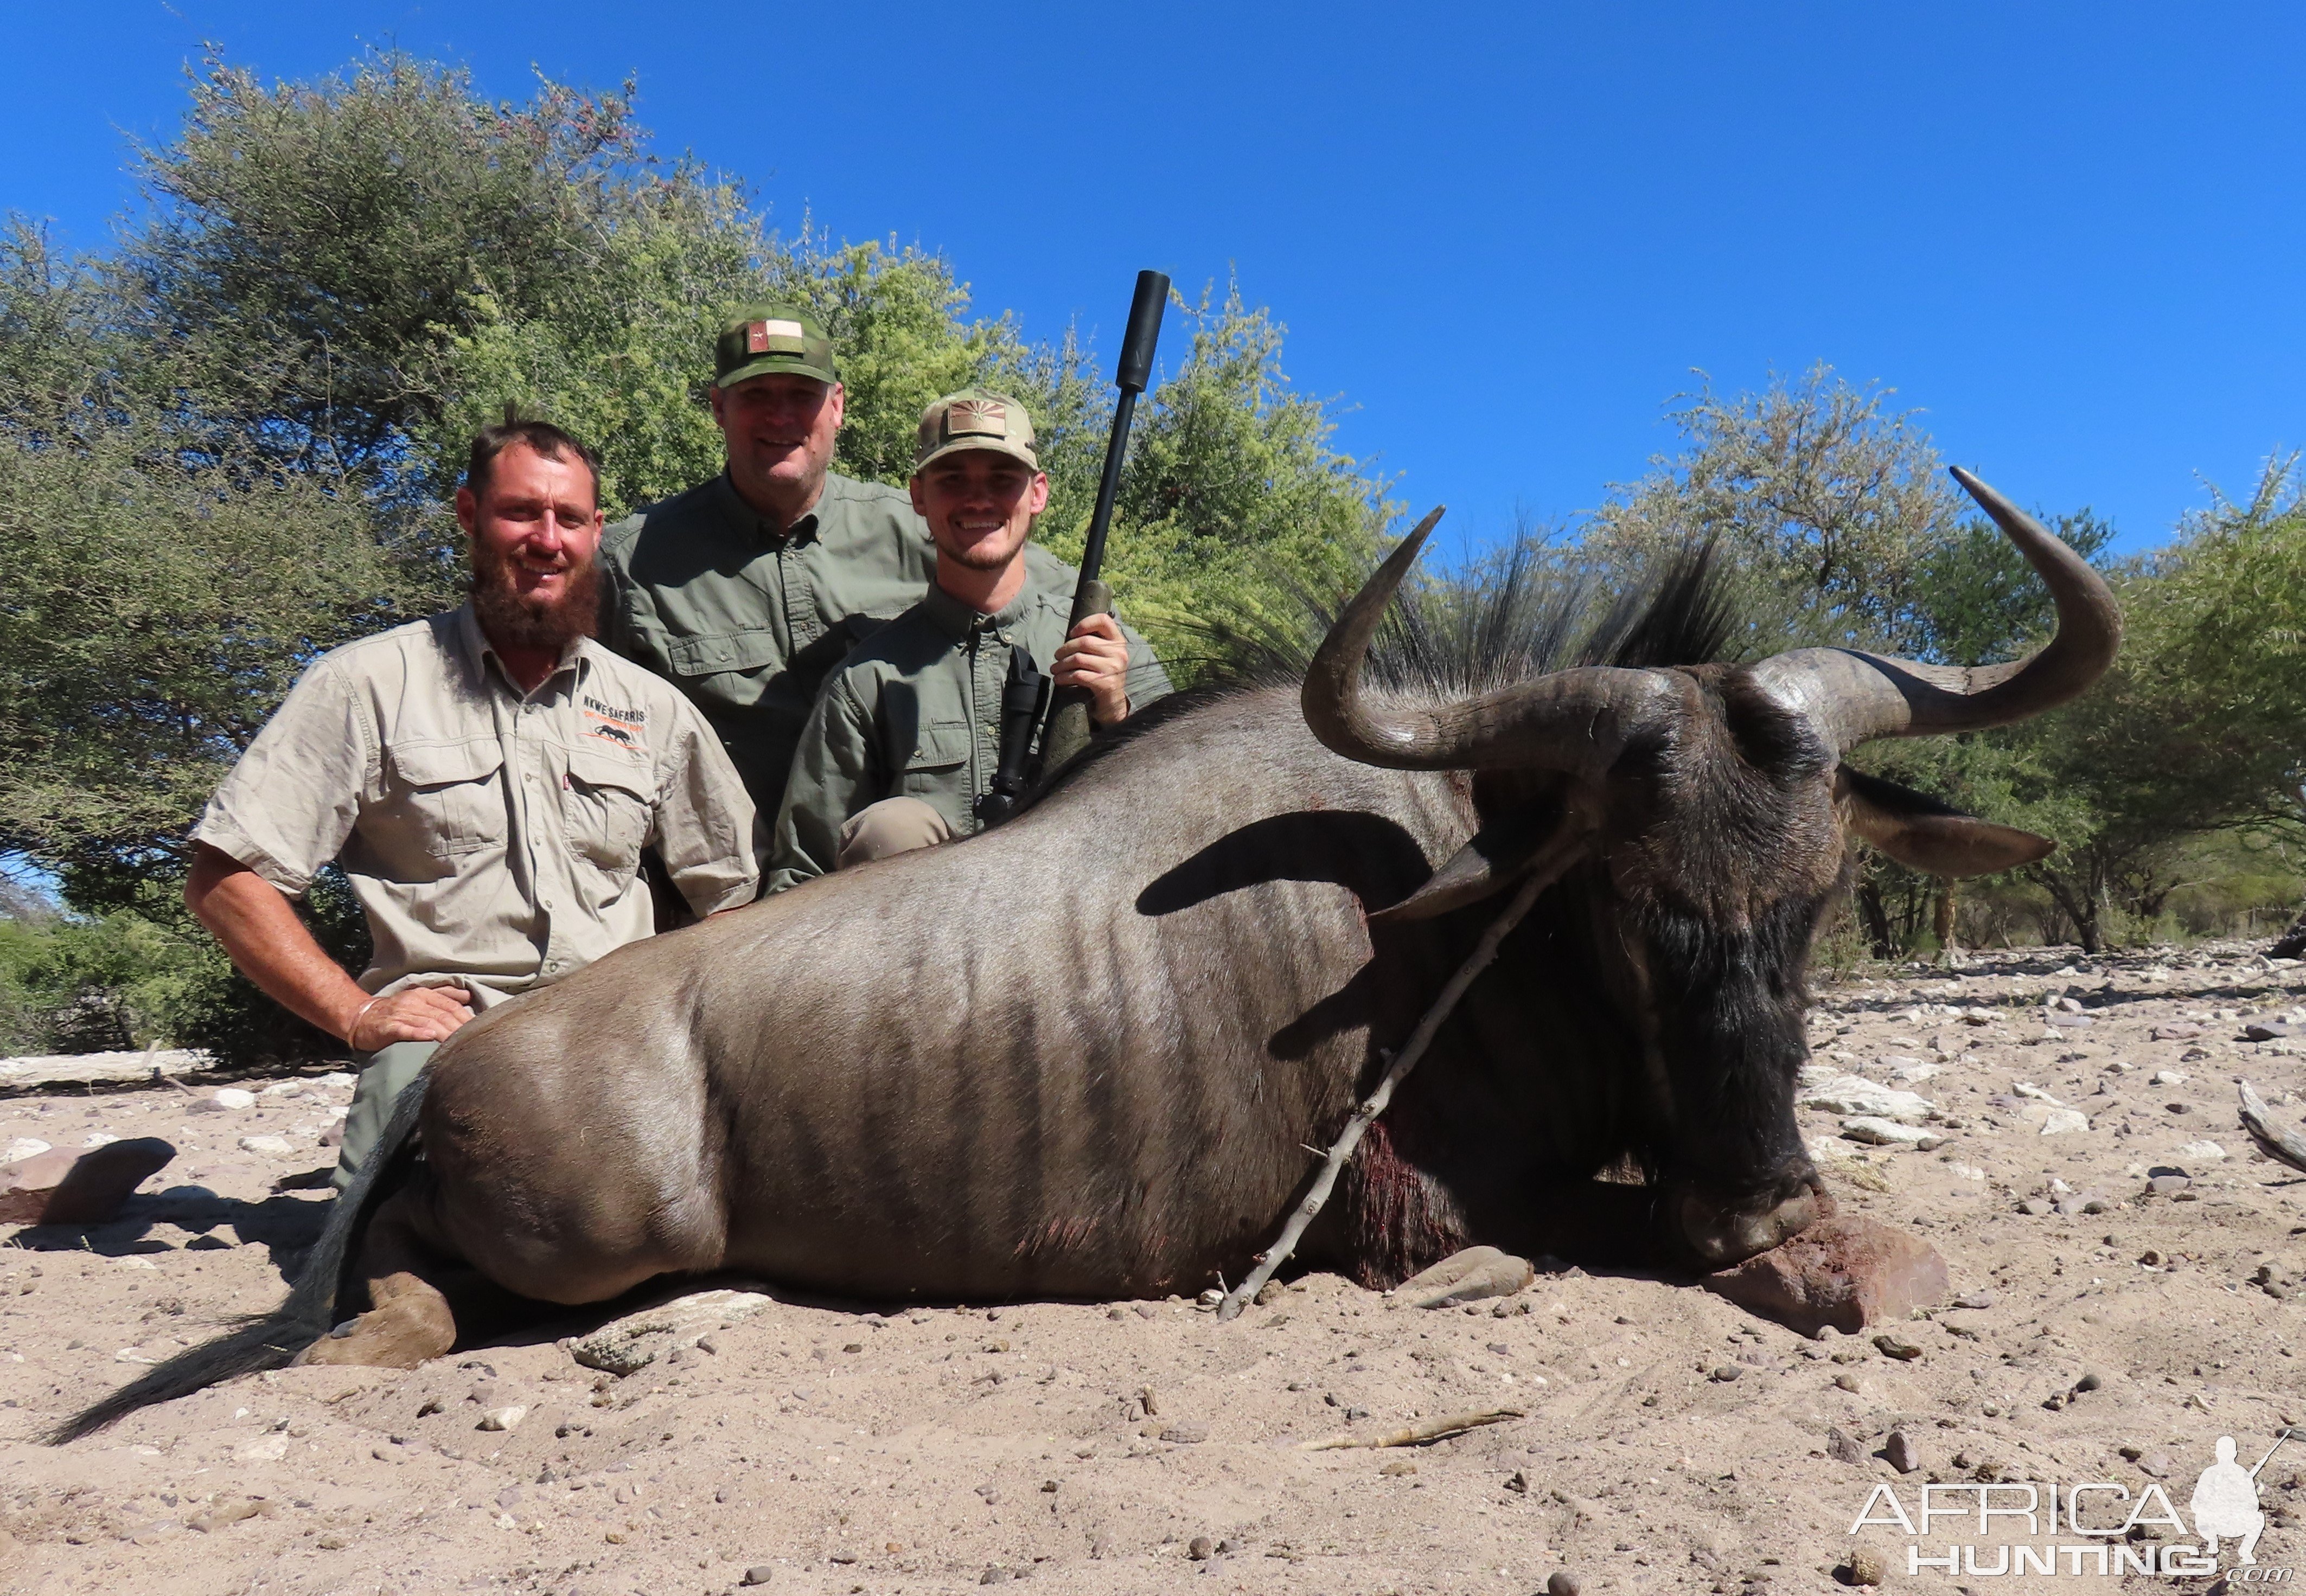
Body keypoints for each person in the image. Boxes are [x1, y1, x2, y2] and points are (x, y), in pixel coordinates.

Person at [186, 415, 759, 1190]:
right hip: (452, 1036)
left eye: (568, 519)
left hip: (622, 1028)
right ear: (469, 515)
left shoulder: (651, 708)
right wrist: (355, 1014)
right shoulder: (367, 683)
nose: (546, 539)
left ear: (596, 534)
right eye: (521, 511)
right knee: (380, 1259)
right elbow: (227, 878)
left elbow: (731, 895)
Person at [767, 389, 1169, 890]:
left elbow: (1188, 814)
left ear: (1038, 492)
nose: (978, 499)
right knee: (892, 829)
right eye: (953, 480)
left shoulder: (1111, 652)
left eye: (1003, 480)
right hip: (925, 953)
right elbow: (800, 873)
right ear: (919, 496)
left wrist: (1117, 714)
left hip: (1080, 938)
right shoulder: (868, 678)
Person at [597, 306, 938, 830]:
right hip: (728, 890)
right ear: (718, 408)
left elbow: (1042, 604)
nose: (780, 417)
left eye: (802, 395)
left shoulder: (923, 534)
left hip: (903, 874)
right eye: (755, 395)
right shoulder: (630, 563)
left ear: (837, 406)